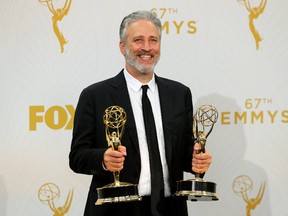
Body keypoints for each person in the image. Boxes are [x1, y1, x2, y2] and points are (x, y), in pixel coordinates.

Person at [69, 10, 212, 216]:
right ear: (122, 46)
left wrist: (197, 161)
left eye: (153, 40)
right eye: (138, 40)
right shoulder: (95, 95)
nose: (147, 48)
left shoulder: (179, 94)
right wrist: (103, 159)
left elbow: (184, 151)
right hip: (115, 210)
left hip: (169, 209)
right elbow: (77, 157)